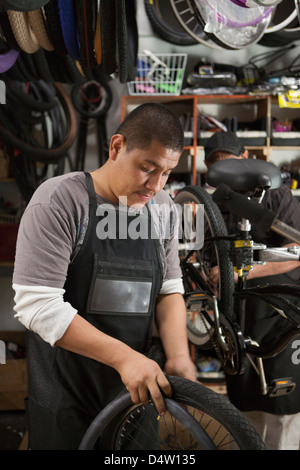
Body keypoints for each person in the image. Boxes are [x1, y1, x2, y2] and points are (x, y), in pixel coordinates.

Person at [12, 103, 197, 450]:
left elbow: (169, 290)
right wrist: (125, 358)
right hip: (66, 393)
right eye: (147, 167)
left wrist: (178, 356)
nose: (156, 185)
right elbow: (38, 305)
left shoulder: (162, 210)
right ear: (116, 147)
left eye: (167, 172)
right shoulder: (61, 202)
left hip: (136, 392)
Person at [204, 131, 300, 450]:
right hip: (239, 317)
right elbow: (206, 259)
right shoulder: (213, 205)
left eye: (230, 162)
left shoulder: (276, 196)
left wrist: (244, 270)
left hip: (280, 312)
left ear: (246, 159)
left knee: (285, 410)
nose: (226, 172)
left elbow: (296, 249)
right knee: (244, 407)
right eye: (217, 166)